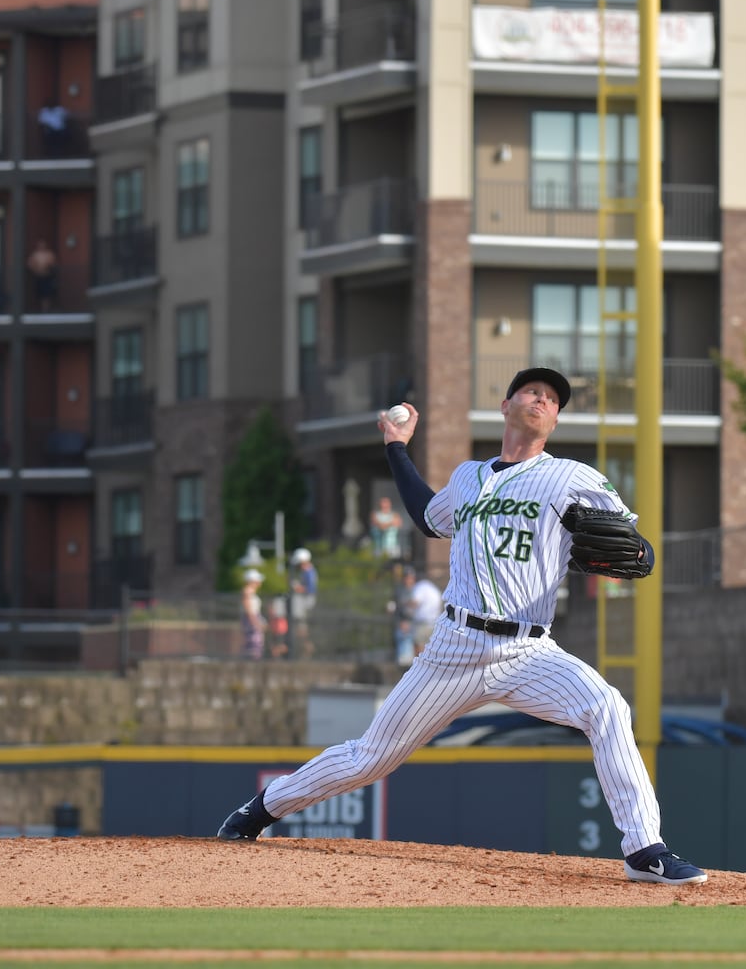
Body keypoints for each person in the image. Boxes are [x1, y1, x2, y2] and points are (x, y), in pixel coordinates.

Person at [217, 367, 708, 885]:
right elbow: (429, 518)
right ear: (506, 404)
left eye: (552, 399)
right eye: (532, 391)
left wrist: (637, 553)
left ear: (556, 419)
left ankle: (644, 849)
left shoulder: (572, 477)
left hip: (530, 652)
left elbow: (636, 549)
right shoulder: (468, 475)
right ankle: (261, 810)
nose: (542, 400)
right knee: (372, 759)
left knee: (607, 707)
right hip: (454, 647)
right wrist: (396, 449)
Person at [240, 568, 266, 661]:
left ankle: (255, 658)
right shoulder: (247, 591)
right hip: (251, 618)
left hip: (254, 617)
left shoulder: (251, 592)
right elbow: (248, 609)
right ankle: (252, 661)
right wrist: (255, 622)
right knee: (253, 641)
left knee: (257, 641)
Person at [26, 238, 58, 310]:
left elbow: (53, 264)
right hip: (38, 276)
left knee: (47, 295)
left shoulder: (49, 254)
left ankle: (46, 310)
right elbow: (29, 264)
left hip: (47, 276)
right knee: (39, 294)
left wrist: (47, 266)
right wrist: (36, 269)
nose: (42, 246)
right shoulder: (35, 254)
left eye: (43, 244)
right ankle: (40, 309)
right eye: (40, 244)